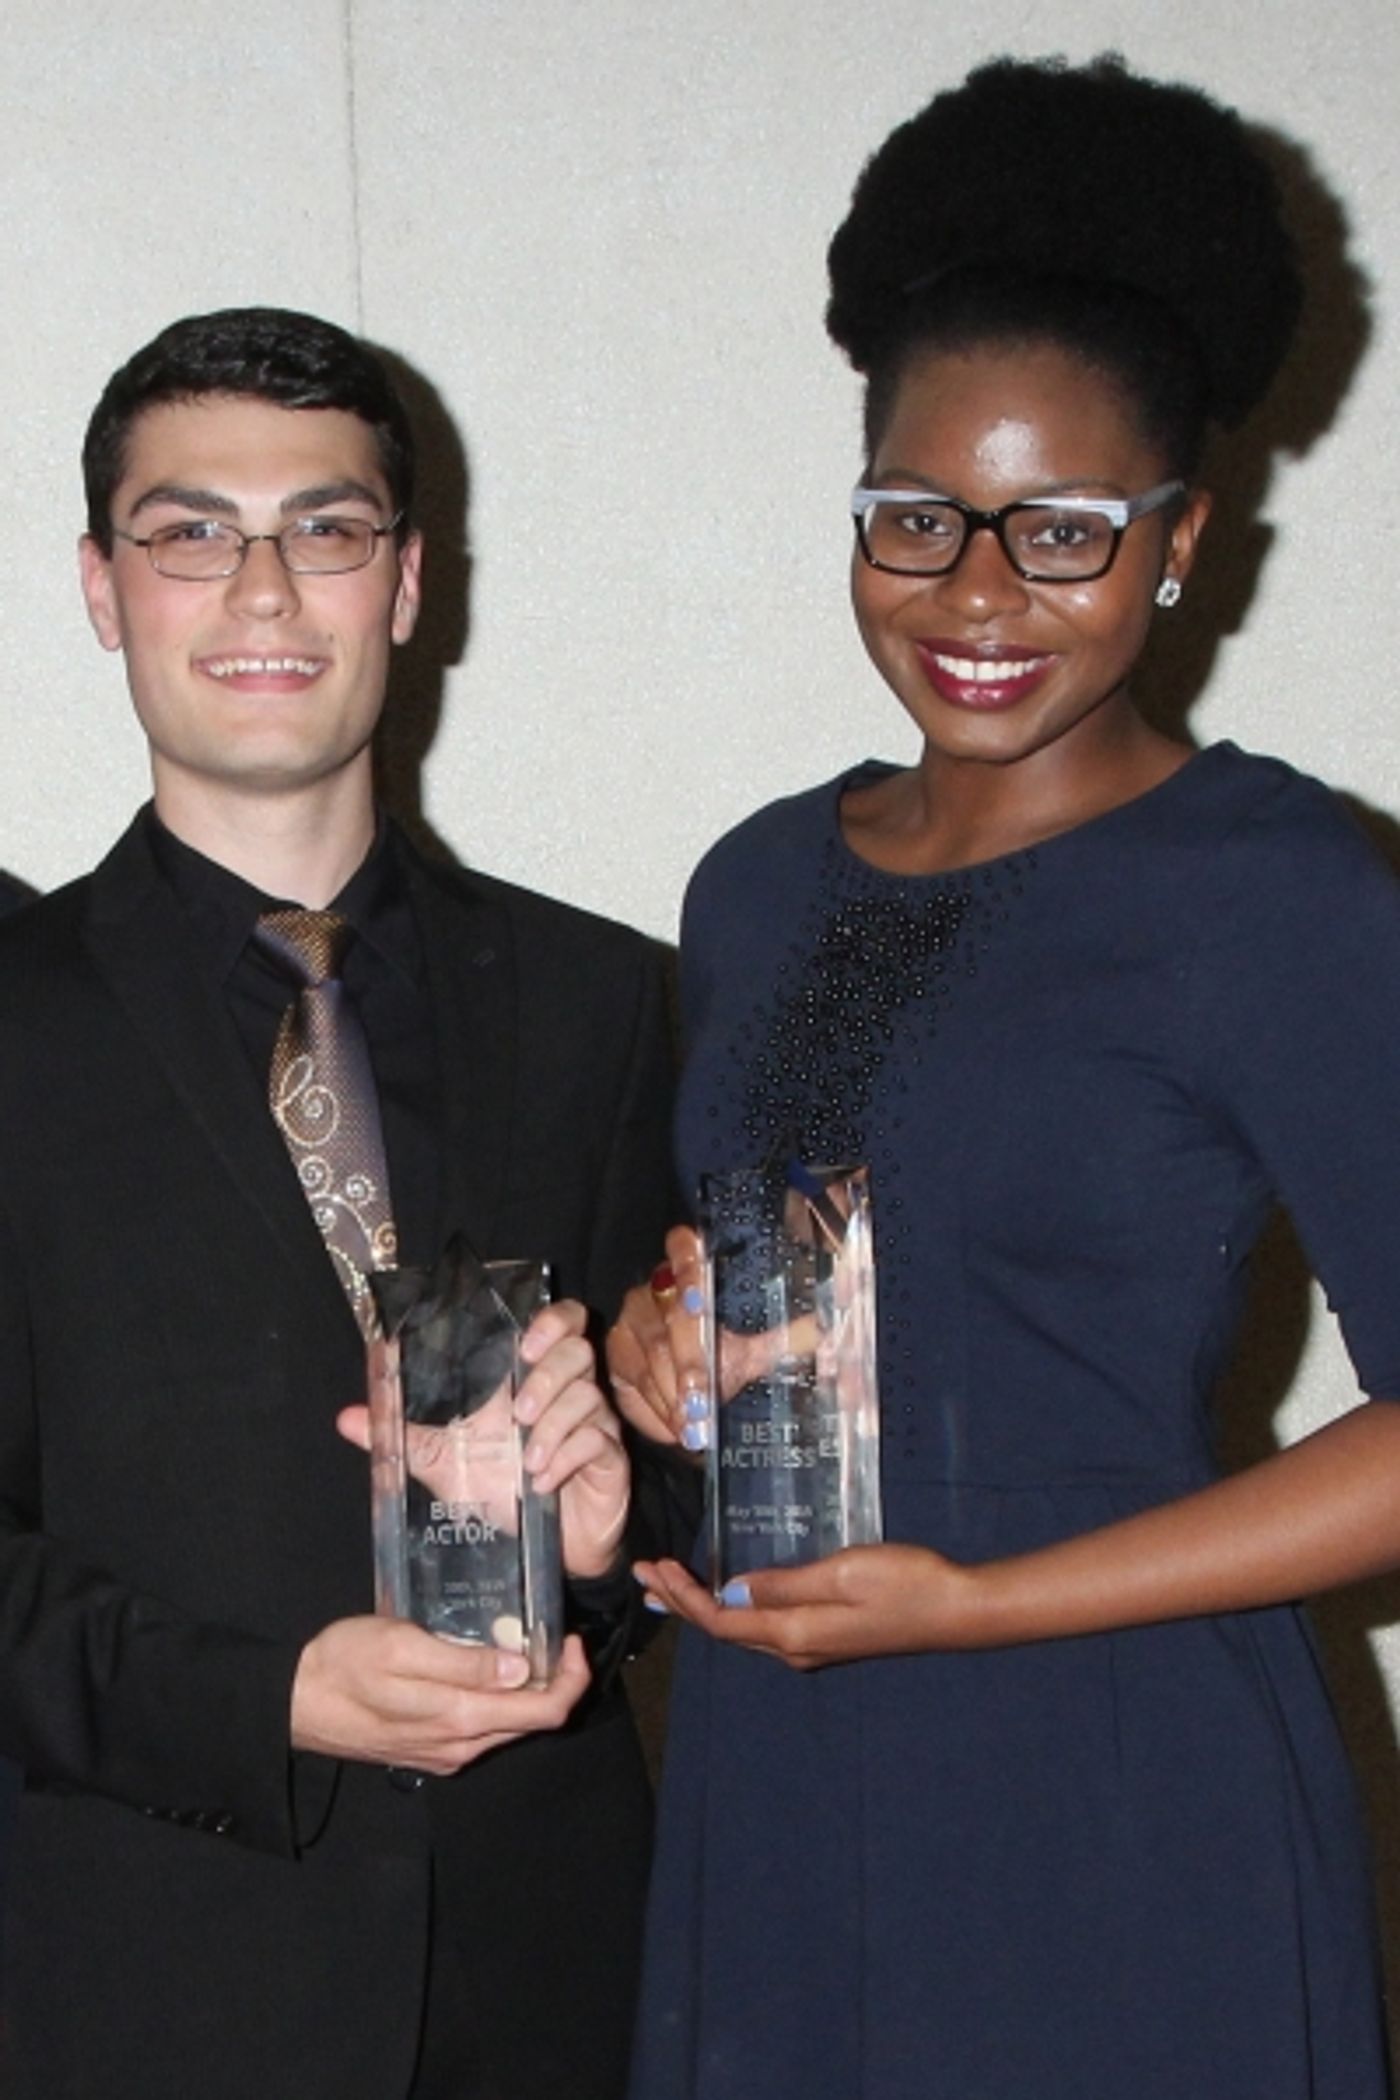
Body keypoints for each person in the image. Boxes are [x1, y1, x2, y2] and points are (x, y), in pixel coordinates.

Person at [610, 56, 1400, 2100]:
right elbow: (792, 1279)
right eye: (914, 517)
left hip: (1113, 1773)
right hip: (781, 1759)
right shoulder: (759, 881)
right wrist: (655, 1346)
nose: (973, 594)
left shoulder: (1277, 889)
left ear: (1177, 542)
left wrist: (976, 1606)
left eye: (1058, 530)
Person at [0, 307, 676, 2100]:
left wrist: (602, 1549)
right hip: (135, 1995)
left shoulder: (606, 1000)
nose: (265, 592)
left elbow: (682, 1452)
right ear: (99, 584)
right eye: (190, 531)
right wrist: (269, 1704)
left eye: (327, 528)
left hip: (551, 1991)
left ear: (407, 581)